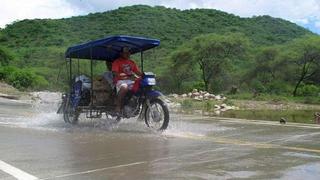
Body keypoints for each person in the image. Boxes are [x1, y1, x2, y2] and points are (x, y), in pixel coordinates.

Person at [112, 47, 143, 113]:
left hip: (131, 80)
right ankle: (118, 106)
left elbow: (137, 72)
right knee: (124, 87)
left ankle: (135, 104)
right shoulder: (117, 62)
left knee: (142, 87)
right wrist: (125, 76)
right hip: (120, 81)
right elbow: (115, 73)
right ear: (121, 53)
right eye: (125, 53)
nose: (128, 54)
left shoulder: (132, 62)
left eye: (129, 52)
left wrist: (145, 75)